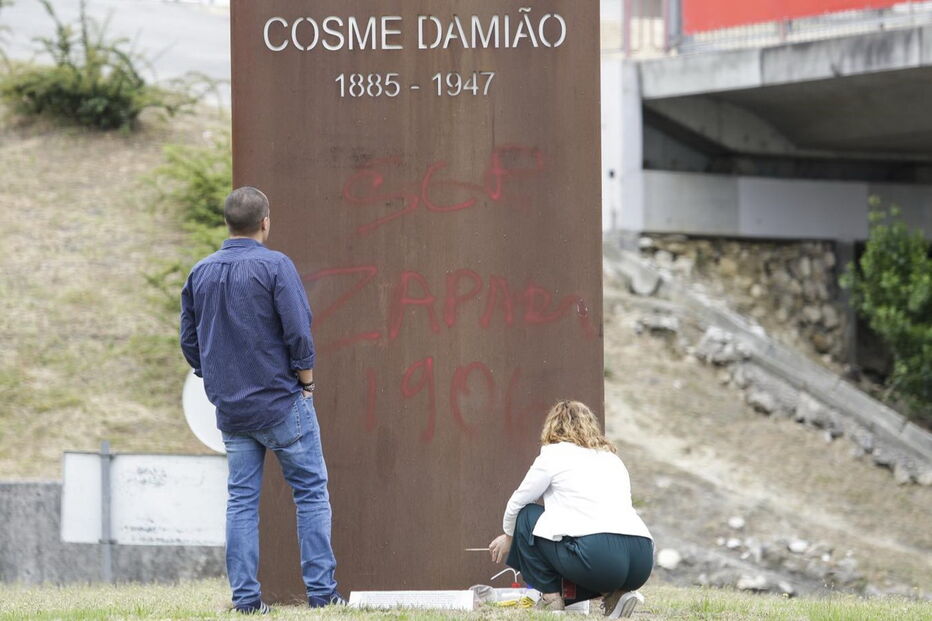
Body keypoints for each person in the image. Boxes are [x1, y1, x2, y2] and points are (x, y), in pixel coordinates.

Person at [180, 186, 341, 614]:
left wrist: (215, 378)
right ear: (265, 222)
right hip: (283, 403)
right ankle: (322, 595)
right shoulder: (275, 266)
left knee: (241, 501)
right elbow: (299, 332)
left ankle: (247, 600)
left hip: (232, 410)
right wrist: (305, 381)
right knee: (309, 493)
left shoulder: (200, 272)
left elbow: (189, 341)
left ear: (227, 223)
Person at [488, 400, 653, 618]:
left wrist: (509, 536)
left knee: (526, 515)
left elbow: (517, 502)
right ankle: (616, 593)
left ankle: (550, 599)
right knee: (584, 550)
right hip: (641, 560)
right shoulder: (613, 459)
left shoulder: (553, 454)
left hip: (599, 558)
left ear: (552, 426)